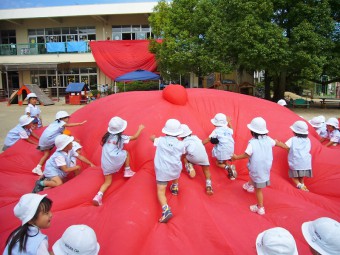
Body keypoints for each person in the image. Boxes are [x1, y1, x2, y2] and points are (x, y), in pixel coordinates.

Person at [92, 117, 144, 206]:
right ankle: (127, 170)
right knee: (126, 153)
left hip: (105, 163)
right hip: (114, 160)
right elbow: (135, 137)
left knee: (107, 182)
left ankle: (98, 195)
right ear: (122, 129)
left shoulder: (106, 137)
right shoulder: (122, 137)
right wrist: (140, 128)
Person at [232, 117, 278, 215]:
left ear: (252, 131)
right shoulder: (268, 139)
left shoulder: (252, 143)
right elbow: (277, 143)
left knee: (258, 189)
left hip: (257, 168)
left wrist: (236, 157)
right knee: (255, 176)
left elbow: (247, 154)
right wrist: (286, 147)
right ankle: (249, 185)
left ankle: (260, 207)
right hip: (265, 167)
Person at [150, 119, 185, 223]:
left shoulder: (160, 140)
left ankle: (166, 209)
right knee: (176, 175)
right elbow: (183, 154)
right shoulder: (181, 144)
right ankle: (175, 187)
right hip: (175, 167)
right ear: (179, 132)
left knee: (161, 192)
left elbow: (153, 139)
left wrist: (152, 138)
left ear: (165, 131)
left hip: (162, 170)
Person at [32, 111, 87, 176]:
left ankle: (38, 167)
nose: (68, 119)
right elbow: (68, 126)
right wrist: (80, 124)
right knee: (63, 144)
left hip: (44, 140)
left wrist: (74, 138)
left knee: (46, 154)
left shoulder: (55, 124)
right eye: (67, 118)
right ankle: (66, 164)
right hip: (49, 139)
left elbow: (66, 132)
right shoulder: (61, 123)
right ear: (62, 118)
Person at [276, 120, 312, 191]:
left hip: (296, 162)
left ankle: (300, 186)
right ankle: (303, 184)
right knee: (301, 175)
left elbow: (285, 146)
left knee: (294, 176)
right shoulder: (308, 140)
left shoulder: (293, 139)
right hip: (306, 162)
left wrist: (278, 143)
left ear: (295, 132)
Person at [178, 124, 213, 195]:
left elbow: (183, 153)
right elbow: (202, 143)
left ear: (180, 136)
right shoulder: (195, 137)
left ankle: (188, 165)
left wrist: (180, 162)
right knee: (206, 170)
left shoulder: (183, 143)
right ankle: (209, 185)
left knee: (184, 155)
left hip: (193, 158)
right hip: (204, 157)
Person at [203, 113, 237, 180]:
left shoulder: (216, 131)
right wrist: (229, 122)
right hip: (231, 148)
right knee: (225, 161)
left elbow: (208, 139)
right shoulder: (227, 128)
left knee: (218, 163)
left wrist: (200, 144)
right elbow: (232, 129)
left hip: (223, 150)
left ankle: (228, 168)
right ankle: (231, 174)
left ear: (215, 123)